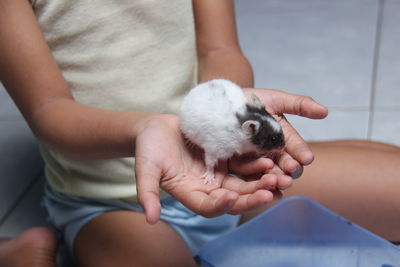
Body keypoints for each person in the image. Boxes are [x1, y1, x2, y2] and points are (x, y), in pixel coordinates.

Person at [0, 1, 398, 267]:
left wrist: (231, 108)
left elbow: (219, 49)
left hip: (232, 173)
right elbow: (49, 111)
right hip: (114, 203)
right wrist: (144, 128)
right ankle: (19, 253)